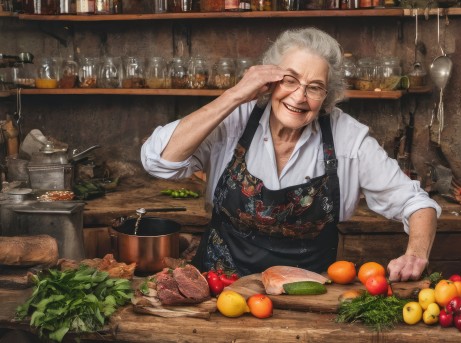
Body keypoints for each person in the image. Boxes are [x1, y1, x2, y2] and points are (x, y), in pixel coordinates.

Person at [141, 27, 441, 282]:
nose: (299, 97)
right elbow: (160, 161)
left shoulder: (348, 137)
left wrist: (415, 254)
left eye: (314, 87)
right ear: (268, 80)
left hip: (305, 298)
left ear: (326, 96)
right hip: (218, 288)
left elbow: (416, 202)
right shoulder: (234, 118)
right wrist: (235, 94)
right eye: (289, 80)